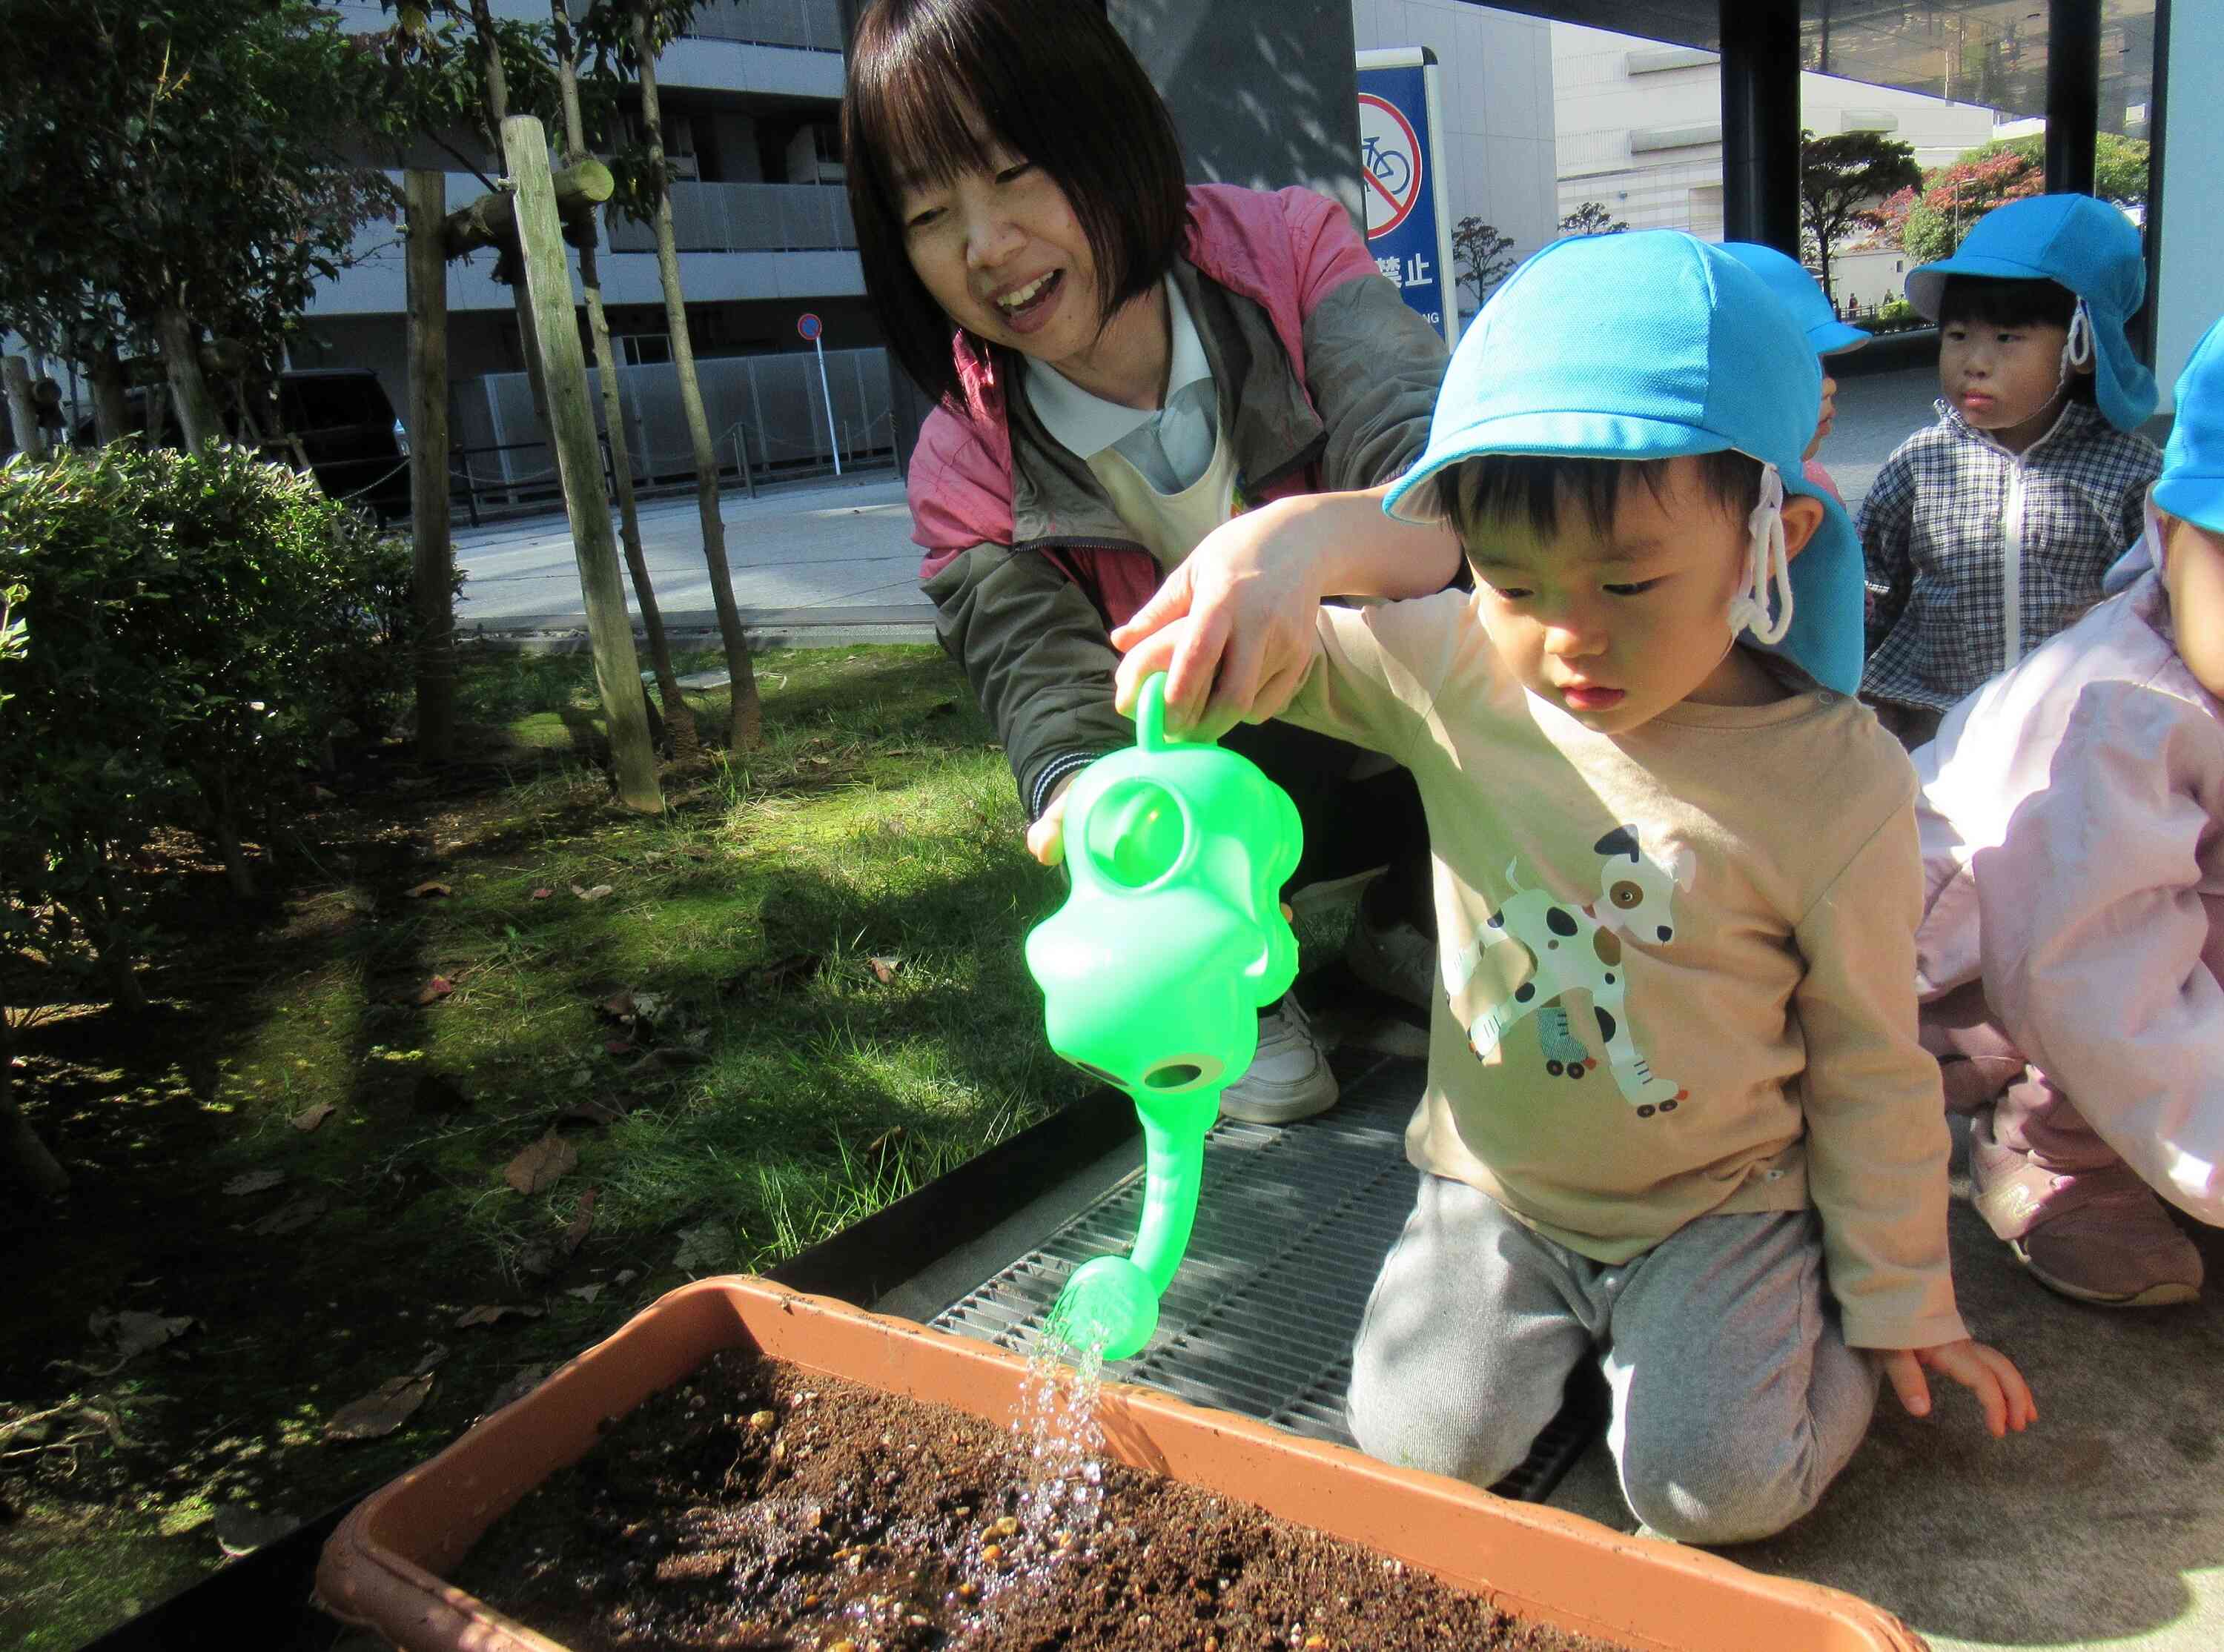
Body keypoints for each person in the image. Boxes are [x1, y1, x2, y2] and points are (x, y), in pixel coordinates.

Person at [1114, 230, 2033, 1544]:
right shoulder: (1457, 670)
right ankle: (1588, 1344)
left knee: (1714, 1490)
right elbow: (1237, 663)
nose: (1568, 633)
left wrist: (1902, 1296)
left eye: (1630, 579)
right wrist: (1271, 557)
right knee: (1423, 1443)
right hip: (1500, 1185)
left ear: (1775, 534)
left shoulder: (1835, 782)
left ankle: (1795, 1322)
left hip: (1724, 1195)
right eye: (1514, 578)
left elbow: (1873, 1061)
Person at [842, 0, 1457, 1123]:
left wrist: (1293, 546)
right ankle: (1231, 977)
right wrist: (1107, 833)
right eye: (932, 213)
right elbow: (1055, 710)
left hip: (1405, 730)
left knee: (1495, 619)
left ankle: (1415, 911)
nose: (987, 248)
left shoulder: (1290, 254)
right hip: (1208, 800)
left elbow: (1449, 506)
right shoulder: (963, 469)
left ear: (1111, 134)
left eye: (1017, 172)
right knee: (1160, 729)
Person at [1912, 316, 2224, 1310]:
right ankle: (2056, 1148)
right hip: (1967, 954)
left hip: (2091, 937)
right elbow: (2081, 977)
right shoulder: (2141, 713)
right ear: (2167, 535)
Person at [1861, 193, 2162, 747]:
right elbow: (1875, 590)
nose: (1975, 361)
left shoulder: (2131, 471)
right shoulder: (1920, 464)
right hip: (1933, 725)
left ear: (2084, 348)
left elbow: (2159, 599)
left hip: (2076, 729)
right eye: (1957, 336)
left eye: (2007, 338)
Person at [1718, 240, 1870, 504]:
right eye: (1800, 367)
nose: (1829, 386)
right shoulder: (1704, 509)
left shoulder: (1814, 487)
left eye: (1821, 364)